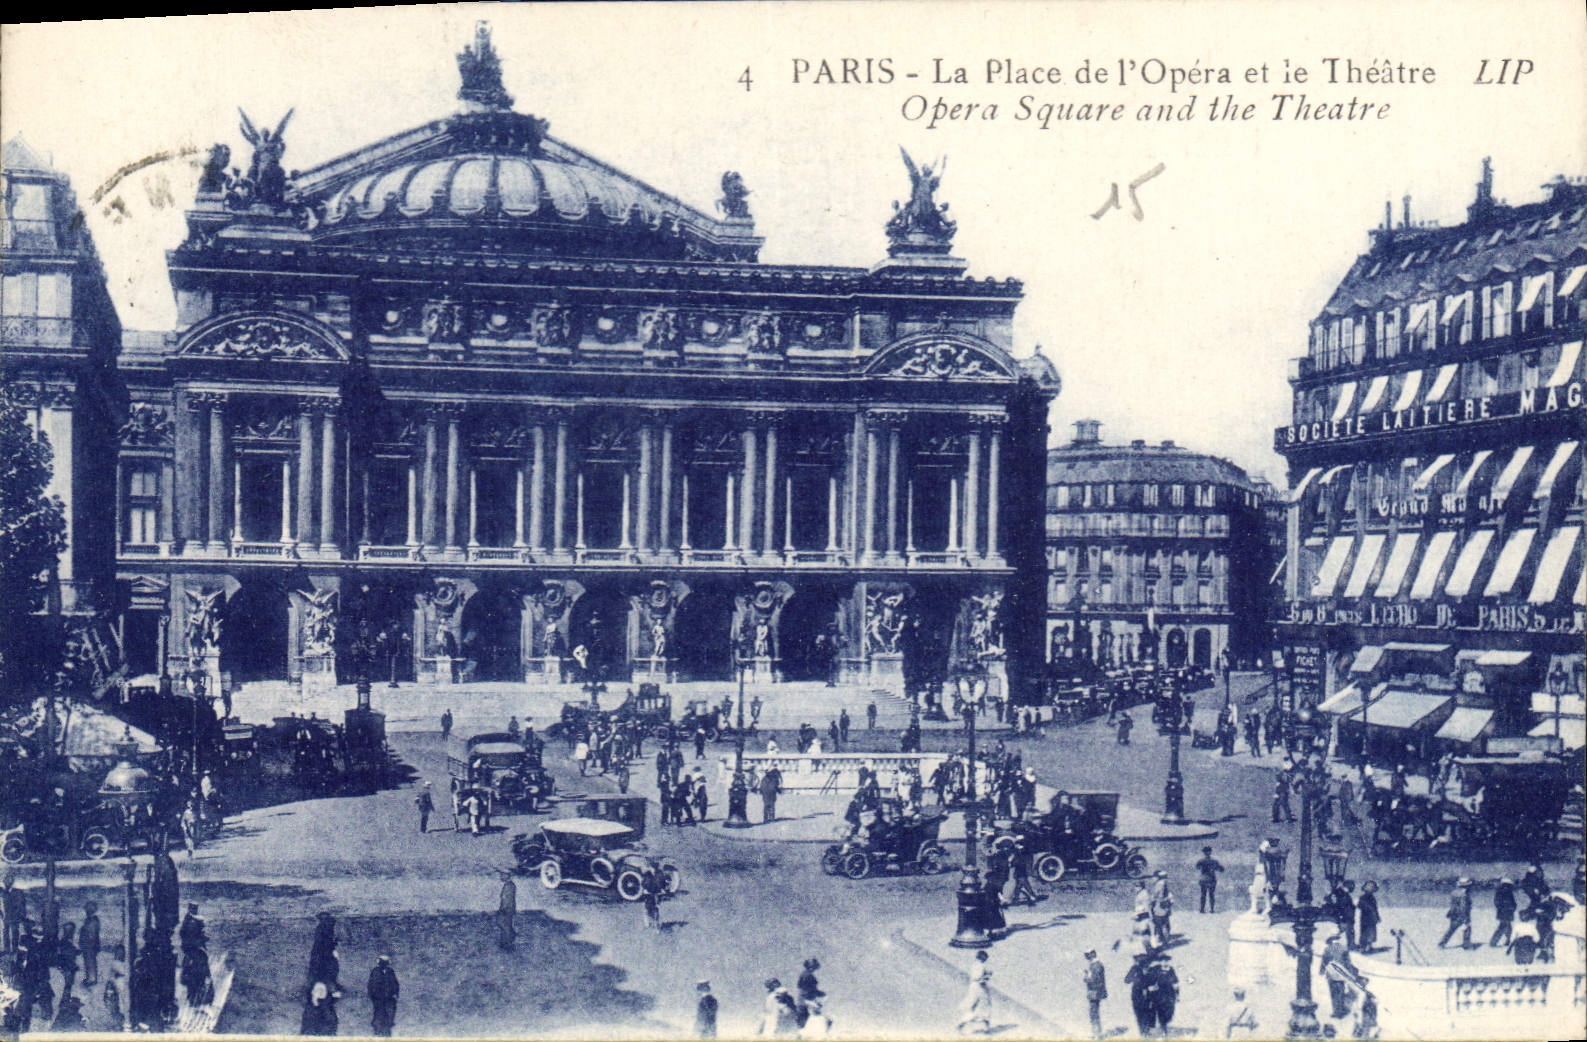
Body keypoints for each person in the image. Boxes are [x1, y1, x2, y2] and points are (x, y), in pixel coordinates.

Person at [956, 951, 992, 1036]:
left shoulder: (975, 965)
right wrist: (987, 976)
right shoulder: (980, 965)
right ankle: (982, 1025)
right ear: (982, 957)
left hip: (974, 985)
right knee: (984, 1004)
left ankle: (964, 1024)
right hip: (979, 986)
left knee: (973, 1003)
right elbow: (979, 978)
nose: (986, 959)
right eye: (985, 957)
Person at [1322, 932, 1354, 1019]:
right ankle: (1341, 1010)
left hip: (1331, 975)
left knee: (1333, 993)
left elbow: (1324, 961)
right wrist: (1350, 973)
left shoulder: (1327, 949)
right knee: (1341, 993)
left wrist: (1321, 971)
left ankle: (1336, 1011)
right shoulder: (1344, 949)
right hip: (1341, 975)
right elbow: (1347, 962)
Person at [367, 956, 399, 1037]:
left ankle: (387, 1031)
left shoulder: (390, 971)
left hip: (389, 998)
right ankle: (378, 1032)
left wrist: (395, 994)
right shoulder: (375, 971)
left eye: (385, 962)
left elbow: (395, 983)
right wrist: (373, 995)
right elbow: (371, 984)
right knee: (378, 1014)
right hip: (378, 998)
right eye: (382, 962)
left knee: (389, 1014)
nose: (384, 964)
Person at [1438, 876, 1473, 948]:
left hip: (1453, 914)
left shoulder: (1454, 892)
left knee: (1451, 929)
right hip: (1461, 915)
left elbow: (1452, 904)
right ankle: (1466, 945)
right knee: (1467, 929)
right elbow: (1464, 907)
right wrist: (1465, 918)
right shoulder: (1464, 895)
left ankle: (1442, 943)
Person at [1082, 949, 1107, 1040]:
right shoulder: (1095, 965)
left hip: (1095, 992)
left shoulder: (1096, 965)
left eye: (1087, 955)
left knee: (1093, 1013)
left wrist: (1086, 977)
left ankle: (1097, 1035)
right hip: (1095, 991)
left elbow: (1094, 980)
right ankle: (1096, 1033)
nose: (1086, 957)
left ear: (1093, 954)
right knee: (1094, 1012)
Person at [796, 957, 823, 1027]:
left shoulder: (804, 974)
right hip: (806, 1001)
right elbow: (809, 989)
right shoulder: (808, 975)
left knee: (804, 1022)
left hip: (803, 1000)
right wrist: (819, 994)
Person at [1196, 846, 1224, 913]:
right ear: (1210, 852)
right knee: (1211, 895)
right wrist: (1215, 868)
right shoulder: (1214, 861)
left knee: (1203, 895)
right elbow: (1221, 869)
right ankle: (1212, 909)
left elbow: (1197, 867)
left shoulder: (1201, 861)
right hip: (1212, 879)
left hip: (1203, 879)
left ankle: (1202, 909)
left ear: (1204, 853)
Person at [1149, 870, 1174, 947]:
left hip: (1159, 906)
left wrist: (1151, 902)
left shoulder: (1159, 884)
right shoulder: (1165, 884)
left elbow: (1156, 895)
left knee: (1158, 922)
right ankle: (1165, 938)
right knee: (1165, 922)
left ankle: (1162, 939)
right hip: (1165, 905)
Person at [1491, 877, 1517, 948]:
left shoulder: (1501, 892)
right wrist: (1510, 907)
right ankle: (1493, 942)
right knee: (1503, 927)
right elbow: (1499, 903)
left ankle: (1510, 941)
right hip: (1506, 913)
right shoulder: (1506, 892)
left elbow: (1497, 903)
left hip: (1504, 913)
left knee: (1507, 927)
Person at [80, 902, 101, 987]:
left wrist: (89, 943)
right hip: (87, 945)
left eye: (88, 909)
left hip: (90, 945)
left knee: (90, 962)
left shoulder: (93, 921)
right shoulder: (89, 920)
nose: (87, 911)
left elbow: (92, 934)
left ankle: (92, 979)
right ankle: (89, 977)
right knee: (88, 962)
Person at [1356, 880, 1380, 952]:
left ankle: (1368, 946)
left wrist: (1377, 916)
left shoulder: (1372, 898)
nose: (1370, 889)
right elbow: (1359, 906)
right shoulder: (1363, 897)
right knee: (1365, 931)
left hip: (1371, 917)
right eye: (1369, 887)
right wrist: (1366, 907)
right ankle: (1364, 946)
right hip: (1365, 917)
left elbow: (1375, 908)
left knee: (1371, 931)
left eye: (1372, 888)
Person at [497, 870, 517, 951]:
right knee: (505, 925)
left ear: (507, 875)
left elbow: (507, 900)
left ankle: (507, 943)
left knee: (504, 925)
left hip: (506, 909)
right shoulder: (509, 885)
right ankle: (506, 942)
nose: (501, 877)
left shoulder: (509, 886)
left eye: (502, 875)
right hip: (508, 908)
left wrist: (503, 909)